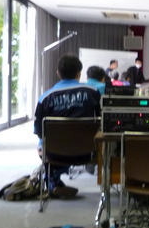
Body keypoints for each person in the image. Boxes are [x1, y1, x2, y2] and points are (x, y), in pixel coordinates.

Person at [34, 54, 101, 198]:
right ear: (78, 73)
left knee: (41, 143)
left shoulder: (45, 97)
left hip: (54, 153)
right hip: (87, 152)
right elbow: (101, 123)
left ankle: (53, 181)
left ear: (58, 73)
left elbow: (39, 131)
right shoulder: (93, 93)